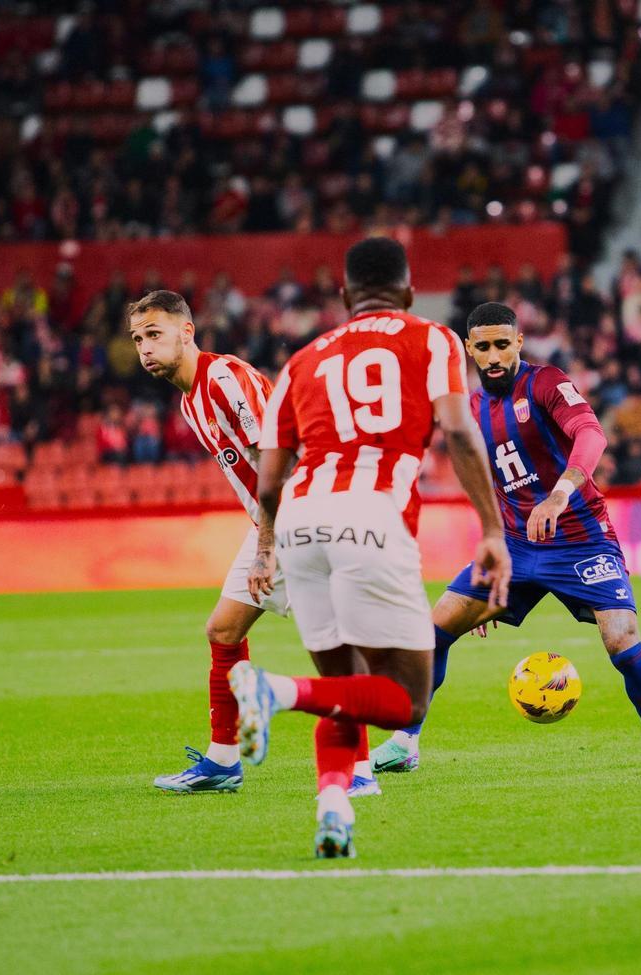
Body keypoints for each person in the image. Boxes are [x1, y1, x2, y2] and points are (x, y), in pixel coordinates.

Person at [232, 238, 512, 858]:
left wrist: (267, 549)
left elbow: (269, 480)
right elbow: (460, 432)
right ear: (409, 292)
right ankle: (277, 691)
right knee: (404, 699)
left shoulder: (299, 364)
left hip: (301, 521)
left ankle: (335, 807)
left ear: (344, 295)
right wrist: (492, 531)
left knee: (344, 687)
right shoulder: (431, 338)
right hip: (371, 515)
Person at [370, 301, 641, 776]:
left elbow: (590, 435)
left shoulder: (546, 383)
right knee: (433, 632)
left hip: (580, 539)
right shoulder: (468, 409)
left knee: (622, 640)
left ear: (518, 343)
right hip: (514, 548)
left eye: (502, 345)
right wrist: (486, 554)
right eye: (482, 347)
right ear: (469, 349)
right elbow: (483, 485)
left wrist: (559, 495)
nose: (494, 356)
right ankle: (405, 744)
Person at [127, 290, 379, 798]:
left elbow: (279, 456)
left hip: (303, 516)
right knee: (223, 630)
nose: (145, 348)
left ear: (187, 332)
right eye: (137, 339)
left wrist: (268, 547)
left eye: (155, 334)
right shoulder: (189, 398)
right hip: (273, 520)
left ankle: (360, 771)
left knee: (330, 647)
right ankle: (223, 762)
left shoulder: (222, 380)